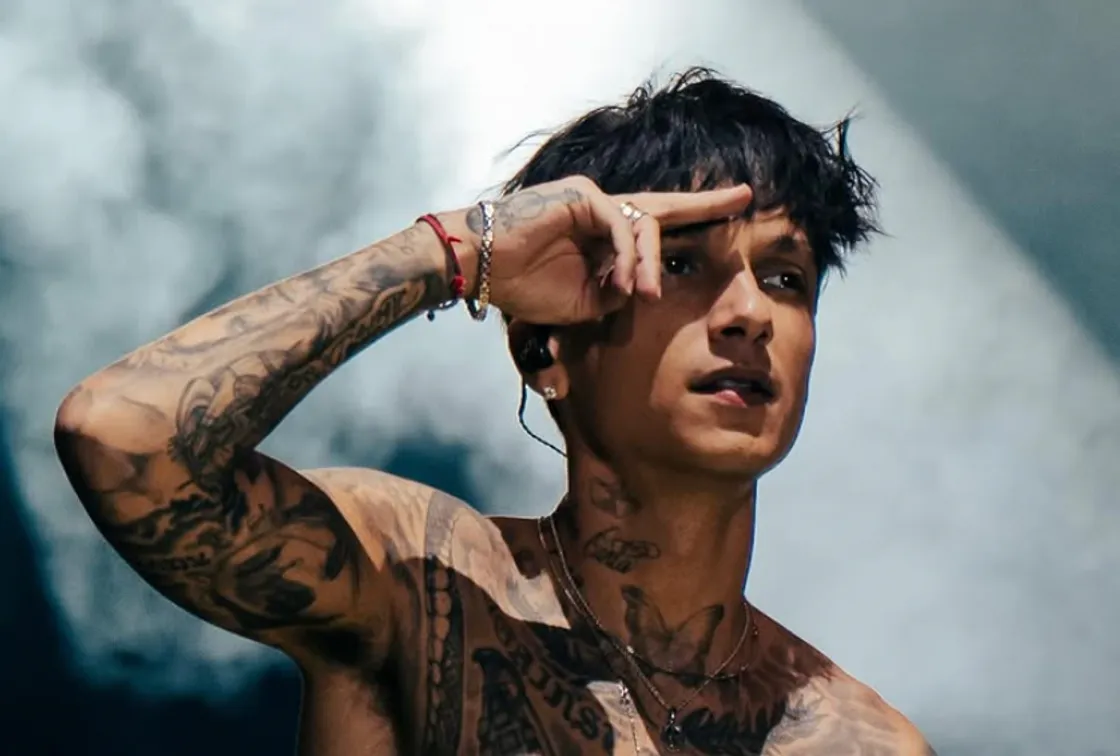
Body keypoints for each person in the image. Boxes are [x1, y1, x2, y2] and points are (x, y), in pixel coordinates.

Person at [53, 68, 936, 755]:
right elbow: (119, 433)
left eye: (785, 278)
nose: (748, 313)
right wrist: (454, 252)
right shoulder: (419, 582)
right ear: (545, 351)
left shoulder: (865, 743)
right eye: (678, 264)